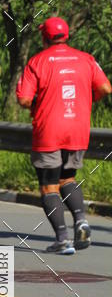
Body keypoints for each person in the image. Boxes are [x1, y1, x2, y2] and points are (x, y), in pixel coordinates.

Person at [16, 16, 111, 254]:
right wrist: (88, 100)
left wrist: (39, 104)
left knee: (49, 187)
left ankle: (62, 239)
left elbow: (24, 99)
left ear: (44, 36)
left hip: (49, 130)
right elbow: (105, 88)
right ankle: (81, 221)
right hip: (78, 128)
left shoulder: (37, 62)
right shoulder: (86, 59)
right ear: (66, 35)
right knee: (67, 178)